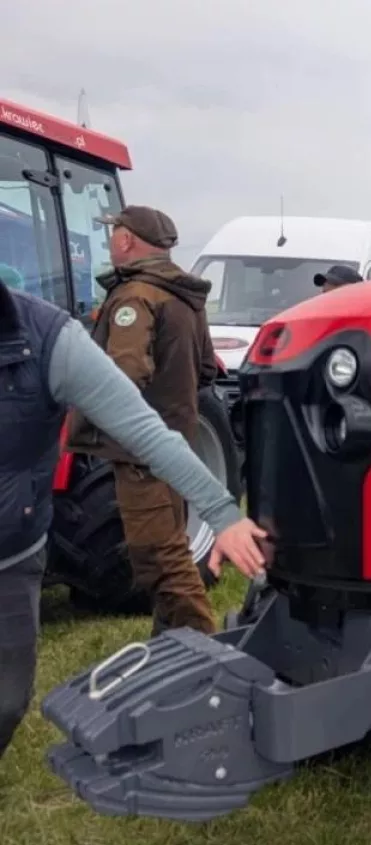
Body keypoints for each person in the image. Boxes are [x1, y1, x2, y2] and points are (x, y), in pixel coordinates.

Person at [0, 280, 267, 760]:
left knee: (5, 700)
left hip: (10, 558)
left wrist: (223, 512)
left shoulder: (47, 338)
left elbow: (146, 430)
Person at [64, 205, 228, 637]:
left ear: (126, 241)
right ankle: (169, 644)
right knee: (167, 544)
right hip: (176, 441)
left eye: (113, 234)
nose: (111, 241)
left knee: (157, 554)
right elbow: (206, 371)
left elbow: (122, 378)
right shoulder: (184, 294)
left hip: (141, 450)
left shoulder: (136, 295)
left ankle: (207, 650)